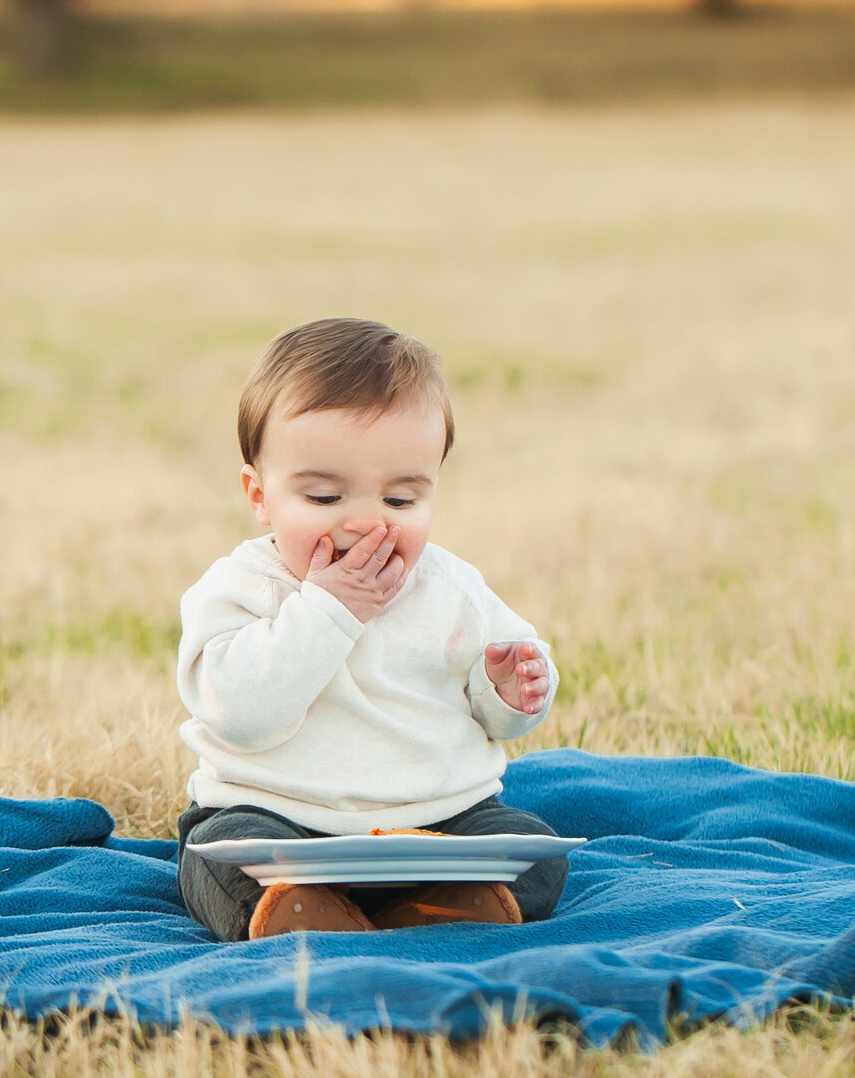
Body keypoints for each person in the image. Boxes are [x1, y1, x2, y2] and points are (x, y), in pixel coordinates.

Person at [174, 317, 569, 940]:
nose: (363, 523)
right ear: (259, 494)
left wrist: (509, 690)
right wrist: (330, 611)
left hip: (437, 824)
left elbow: (502, 714)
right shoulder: (241, 587)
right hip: (282, 822)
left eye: (400, 501)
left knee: (535, 850)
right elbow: (240, 715)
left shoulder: (452, 587)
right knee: (219, 856)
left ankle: (439, 902)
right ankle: (301, 910)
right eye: (326, 498)